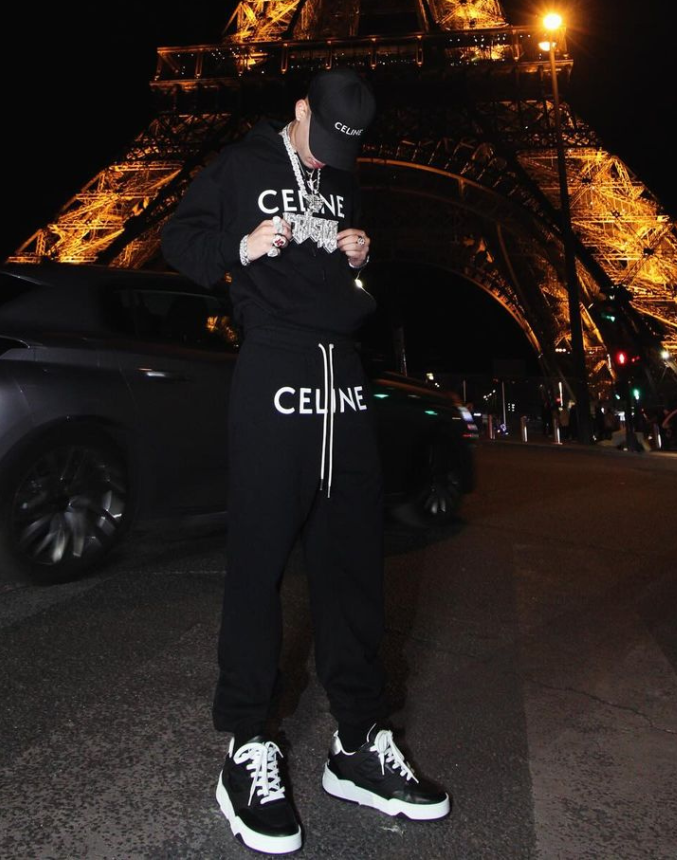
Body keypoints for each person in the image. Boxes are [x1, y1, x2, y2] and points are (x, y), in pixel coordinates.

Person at [160, 68, 450, 854]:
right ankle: (247, 745)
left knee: (353, 567)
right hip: (275, 373)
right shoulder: (240, 166)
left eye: (342, 153)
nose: (328, 163)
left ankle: (357, 743)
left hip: (344, 382)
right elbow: (179, 240)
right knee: (258, 568)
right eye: (321, 145)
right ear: (299, 111)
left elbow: (340, 275)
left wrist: (357, 255)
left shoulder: (343, 176)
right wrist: (240, 246)